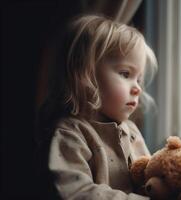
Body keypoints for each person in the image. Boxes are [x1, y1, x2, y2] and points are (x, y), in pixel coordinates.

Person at [35, 14, 157, 200]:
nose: (138, 88)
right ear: (85, 74)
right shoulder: (69, 134)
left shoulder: (131, 131)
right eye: (125, 74)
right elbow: (76, 192)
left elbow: (150, 182)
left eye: (139, 78)